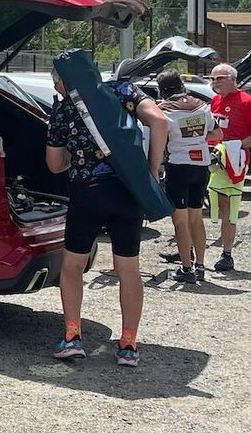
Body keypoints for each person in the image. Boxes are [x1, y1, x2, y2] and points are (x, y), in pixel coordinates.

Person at [45, 60, 169, 367]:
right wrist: (152, 169)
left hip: (87, 193)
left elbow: (54, 165)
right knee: (128, 268)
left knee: (72, 266)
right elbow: (159, 121)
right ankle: (129, 343)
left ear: (64, 80)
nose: (57, 89)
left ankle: (72, 337)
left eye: (56, 83)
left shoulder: (64, 110)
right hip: (128, 192)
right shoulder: (124, 90)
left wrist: (76, 158)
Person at [155, 69, 216, 282]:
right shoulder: (202, 105)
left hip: (179, 166)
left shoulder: (163, 110)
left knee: (180, 222)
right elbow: (217, 133)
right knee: (196, 218)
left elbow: (159, 141)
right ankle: (200, 266)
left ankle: (186, 269)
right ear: (182, 85)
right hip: (201, 165)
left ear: (162, 90)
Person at [208, 63, 251, 272]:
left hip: (234, 161)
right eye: (212, 79)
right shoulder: (215, 100)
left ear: (232, 79)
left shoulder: (247, 102)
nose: (215, 82)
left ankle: (227, 253)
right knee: (199, 205)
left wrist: (235, 145)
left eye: (220, 78)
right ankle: (188, 250)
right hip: (211, 160)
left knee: (228, 206)